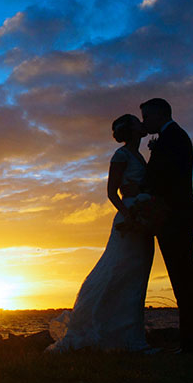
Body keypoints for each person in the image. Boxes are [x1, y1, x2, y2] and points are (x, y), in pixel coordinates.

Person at [47, 114, 155, 352]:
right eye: (138, 122)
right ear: (131, 130)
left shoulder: (140, 155)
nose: (142, 124)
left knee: (137, 277)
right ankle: (114, 334)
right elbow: (111, 192)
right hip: (129, 219)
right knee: (119, 272)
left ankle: (130, 336)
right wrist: (129, 214)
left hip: (143, 218)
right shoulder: (121, 155)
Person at [140, 97, 193, 353]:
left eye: (146, 116)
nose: (144, 122)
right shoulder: (172, 137)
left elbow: (162, 178)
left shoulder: (174, 138)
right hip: (175, 213)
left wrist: (143, 194)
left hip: (175, 214)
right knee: (183, 279)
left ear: (160, 115)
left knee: (185, 278)